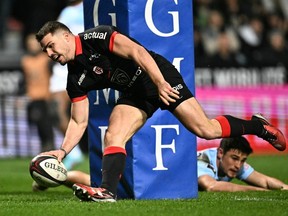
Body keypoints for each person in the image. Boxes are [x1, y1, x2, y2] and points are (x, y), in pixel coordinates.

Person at [35, 21, 286, 202]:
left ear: (66, 36)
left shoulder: (96, 37)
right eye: (45, 50)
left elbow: (137, 51)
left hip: (158, 75)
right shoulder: (75, 78)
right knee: (114, 135)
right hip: (135, 93)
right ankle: (107, 193)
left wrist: (160, 82)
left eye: (50, 45)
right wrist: (62, 151)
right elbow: (79, 121)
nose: (49, 53)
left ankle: (257, 125)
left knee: (205, 129)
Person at [49, 0, 85, 171]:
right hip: (64, 64)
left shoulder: (96, 7)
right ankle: (74, 151)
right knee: (55, 110)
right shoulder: (68, 12)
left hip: (88, 61)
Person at [198, 137, 288, 192]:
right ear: (221, 153)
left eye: (243, 160)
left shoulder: (233, 164)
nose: (238, 165)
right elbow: (211, 186)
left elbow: (265, 181)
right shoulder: (203, 160)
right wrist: (258, 190)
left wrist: (285, 187)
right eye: (234, 158)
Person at [21, 33, 55, 152]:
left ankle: (49, 147)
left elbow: (54, 77)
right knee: (37, 123)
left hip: (46, 97)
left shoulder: (47, 59)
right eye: (29, 44)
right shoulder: (26, 61)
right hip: (33, 98)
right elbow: (24, 80)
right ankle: (45, 147)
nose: (32, 46)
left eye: (34, 44)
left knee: (47, 124)